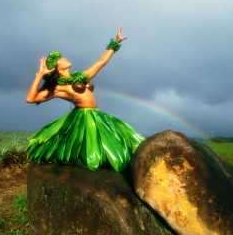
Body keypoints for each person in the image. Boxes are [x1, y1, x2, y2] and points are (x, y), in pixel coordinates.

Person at [25, 27, 145, 172]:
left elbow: (100, 62)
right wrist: (39, 75)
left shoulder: (80, 77)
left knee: (123, 137)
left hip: (96, 114)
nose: (65, 58)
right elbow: (31, 99)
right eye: (61, 59)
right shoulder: (58, 87)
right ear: (57, 67)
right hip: (84, 118)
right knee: (90, 149)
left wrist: (115, 43)